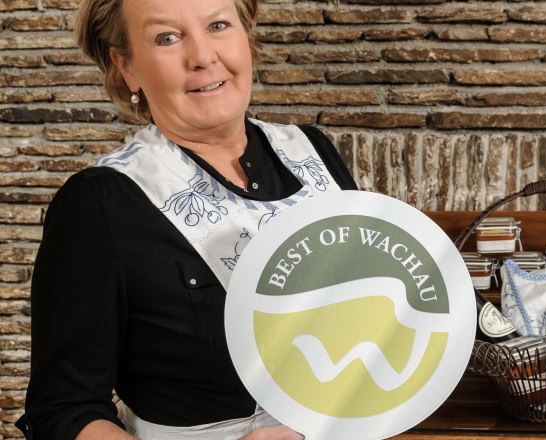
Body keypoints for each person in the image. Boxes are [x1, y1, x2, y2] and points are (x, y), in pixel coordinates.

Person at [16, 0, 357, 438]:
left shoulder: (313, 150)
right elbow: (64, 410)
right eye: (167, 38)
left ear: (245, 35)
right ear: (128, 68)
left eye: (218, 25)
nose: (202, 56)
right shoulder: (100, 203)